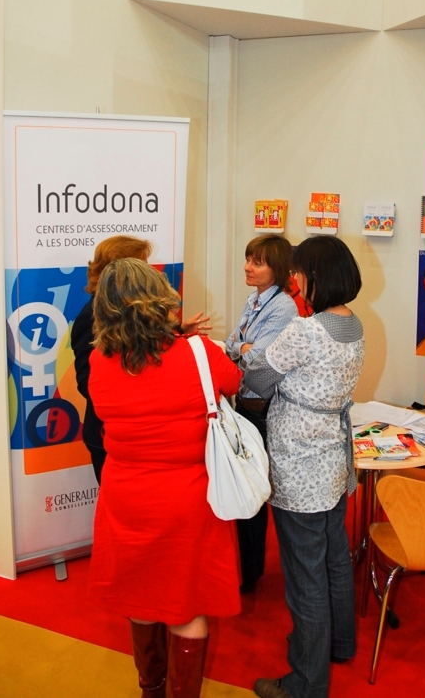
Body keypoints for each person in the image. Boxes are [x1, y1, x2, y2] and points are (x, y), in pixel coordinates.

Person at [89, 258, 242, 698]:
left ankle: (150, 688)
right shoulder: (199, 353)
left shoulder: (100, 361)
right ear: (160, 299)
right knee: (187, 606)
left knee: (141, 598)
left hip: (126, 495)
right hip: (187, 498)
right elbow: (233, 382)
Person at [243, 235, 365, 698]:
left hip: (298, 461)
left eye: (297, 272)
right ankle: (340, 644)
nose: (293, 279)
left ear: (314, 276)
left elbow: (258, 379)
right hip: (332, 459)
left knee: (304, 577)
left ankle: (306, 683)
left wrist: (248, 353)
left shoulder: (306, 330)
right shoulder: (353, 325)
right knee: (334, 558)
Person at [71, 235, 209, 484]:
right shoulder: (91, 317)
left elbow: (144, 346)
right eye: (142, 264)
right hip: (109, 436)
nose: (148, 271)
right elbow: (86, 381)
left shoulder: (132, 311)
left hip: (143, 436)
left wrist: (178, 330)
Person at [225, 235, 298, 591]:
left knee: (255, 491)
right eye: (248, 259)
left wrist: (239, 349)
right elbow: (232, 345)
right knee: (244, 489)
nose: (247, 268)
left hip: (264, 409)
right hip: (245, 405)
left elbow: (259, 360)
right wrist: (242, 347)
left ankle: (251, 573)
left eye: (257, 262)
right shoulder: (254, 299)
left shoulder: (283, 307)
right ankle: (246, 569)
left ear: (278, 268)